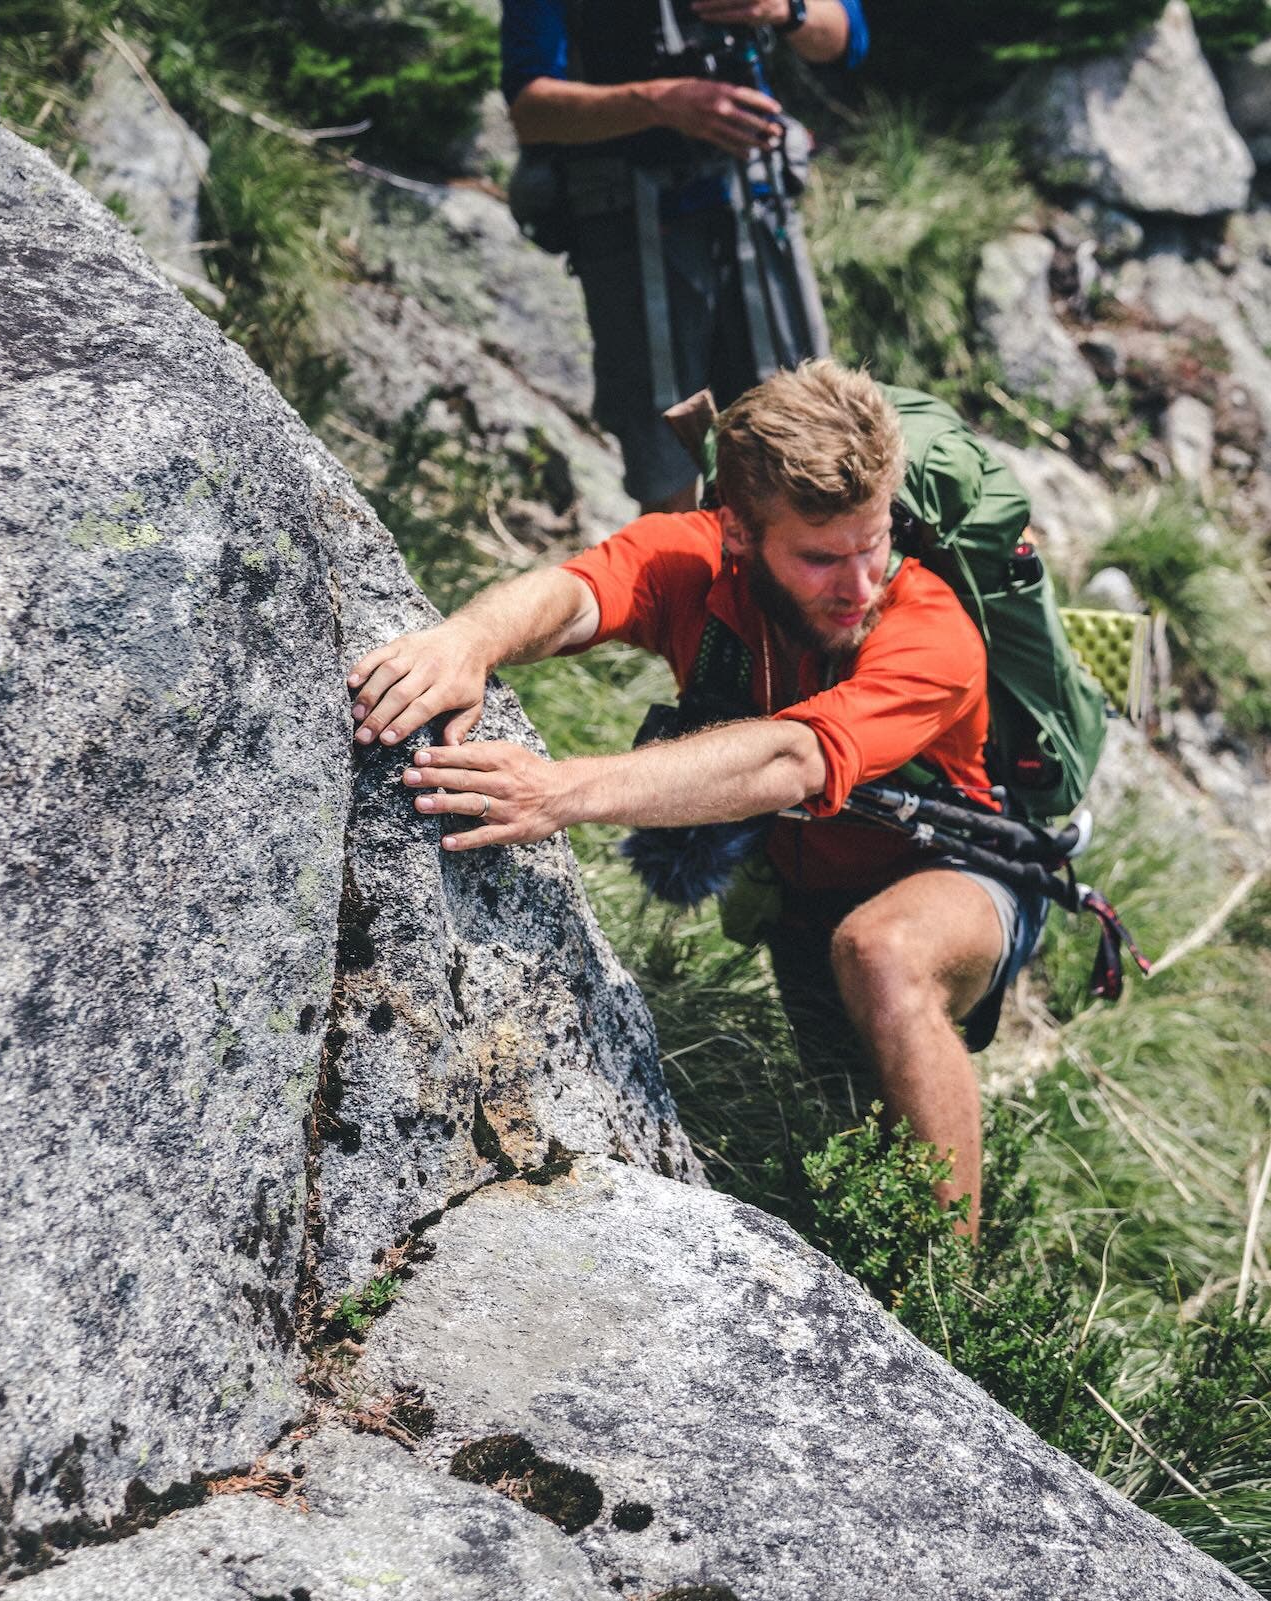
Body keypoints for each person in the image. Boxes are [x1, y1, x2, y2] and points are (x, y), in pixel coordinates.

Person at [344, 364, 1046, 1230]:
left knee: (885, 954)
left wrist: (563, 791)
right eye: (823, 557)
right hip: (806, 899)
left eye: (875, 544)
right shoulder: (697, 560)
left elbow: (794, 756)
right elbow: (576, 594)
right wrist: (468, 640)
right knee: (853, 1117)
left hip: (959, 869)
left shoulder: (930, 627)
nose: (859, 587)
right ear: (741, 534)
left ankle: (952, 1310)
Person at [499, 0, 867, 514]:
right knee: (665, 457)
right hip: (629, 224)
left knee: (802, 431)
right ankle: (683, 586)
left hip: (755, 207)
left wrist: (784, 9)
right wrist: (660, 103)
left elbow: (847, 39)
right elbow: (531, 110)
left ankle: (787, 586)